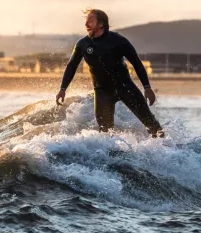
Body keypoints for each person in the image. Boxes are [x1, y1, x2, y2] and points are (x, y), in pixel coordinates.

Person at [55, 9, 164, 138]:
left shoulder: (118, 41)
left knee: (152, 125)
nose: (86, 24)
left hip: (126, 88)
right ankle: (112, 157)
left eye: (90, 20)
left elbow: (137, 63)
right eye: (86, 21)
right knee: (105, 134)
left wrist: (147, 87)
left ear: (101, 24)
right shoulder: (83, 44)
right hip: (102, 92)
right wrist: (63, 89)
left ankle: (167, 151)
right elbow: (71, 66)